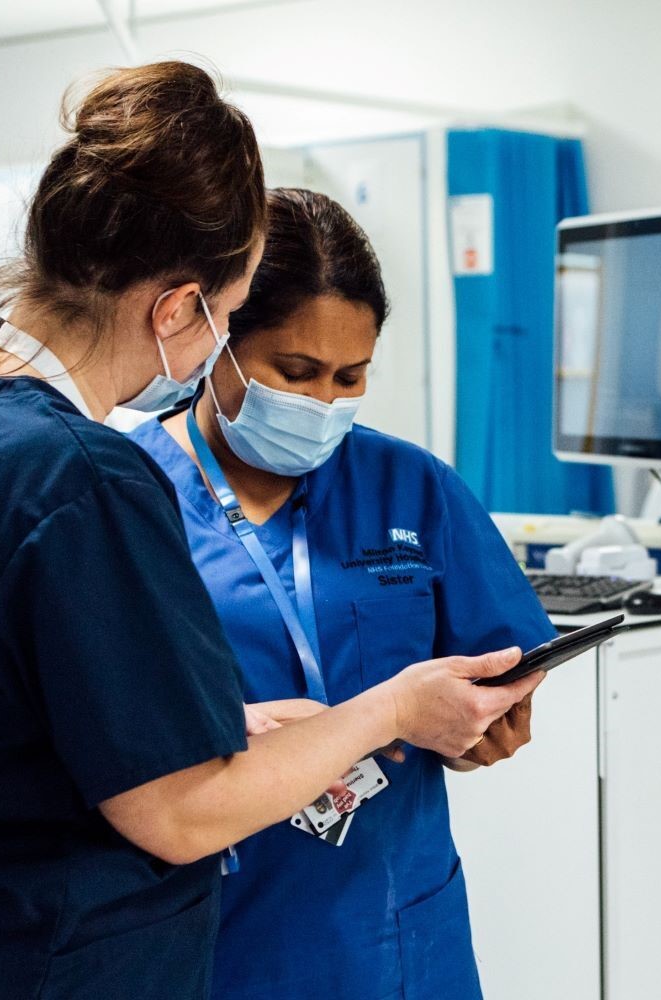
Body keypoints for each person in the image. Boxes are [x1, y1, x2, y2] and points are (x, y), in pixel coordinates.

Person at [0, 63, 539, 1000]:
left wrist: (222, 723)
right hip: (35, 960)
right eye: (231, 319)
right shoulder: (82, 476)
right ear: (178, 309)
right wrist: (390, 709)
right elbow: (184, 812)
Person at [126, 188, 555, 1000]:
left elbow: (499, 667)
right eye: (295, 372)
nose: (324, 403)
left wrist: (482, 728)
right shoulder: (126, 494)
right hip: (211, 932)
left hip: (391, 931)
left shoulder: (410, 486)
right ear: (217, 340)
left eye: (350, 376)